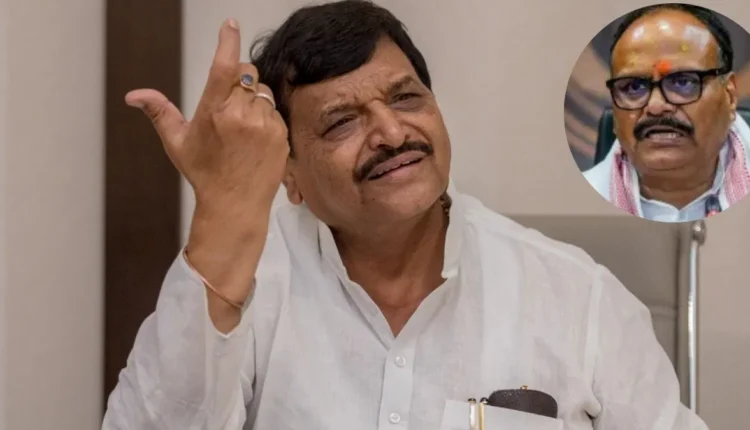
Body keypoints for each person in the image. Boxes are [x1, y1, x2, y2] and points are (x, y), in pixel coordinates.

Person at [102, 1, 707, 429]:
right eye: (342, 122)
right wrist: (224, 213)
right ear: (290, 174)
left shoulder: (578, 298)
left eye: (406, 98)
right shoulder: (246, 284)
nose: (391, 133)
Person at [584, 3, 750, 223]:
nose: (656, 106)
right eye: (634, 87)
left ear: (729, 96)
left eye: (682, 82)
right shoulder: (570, 207)